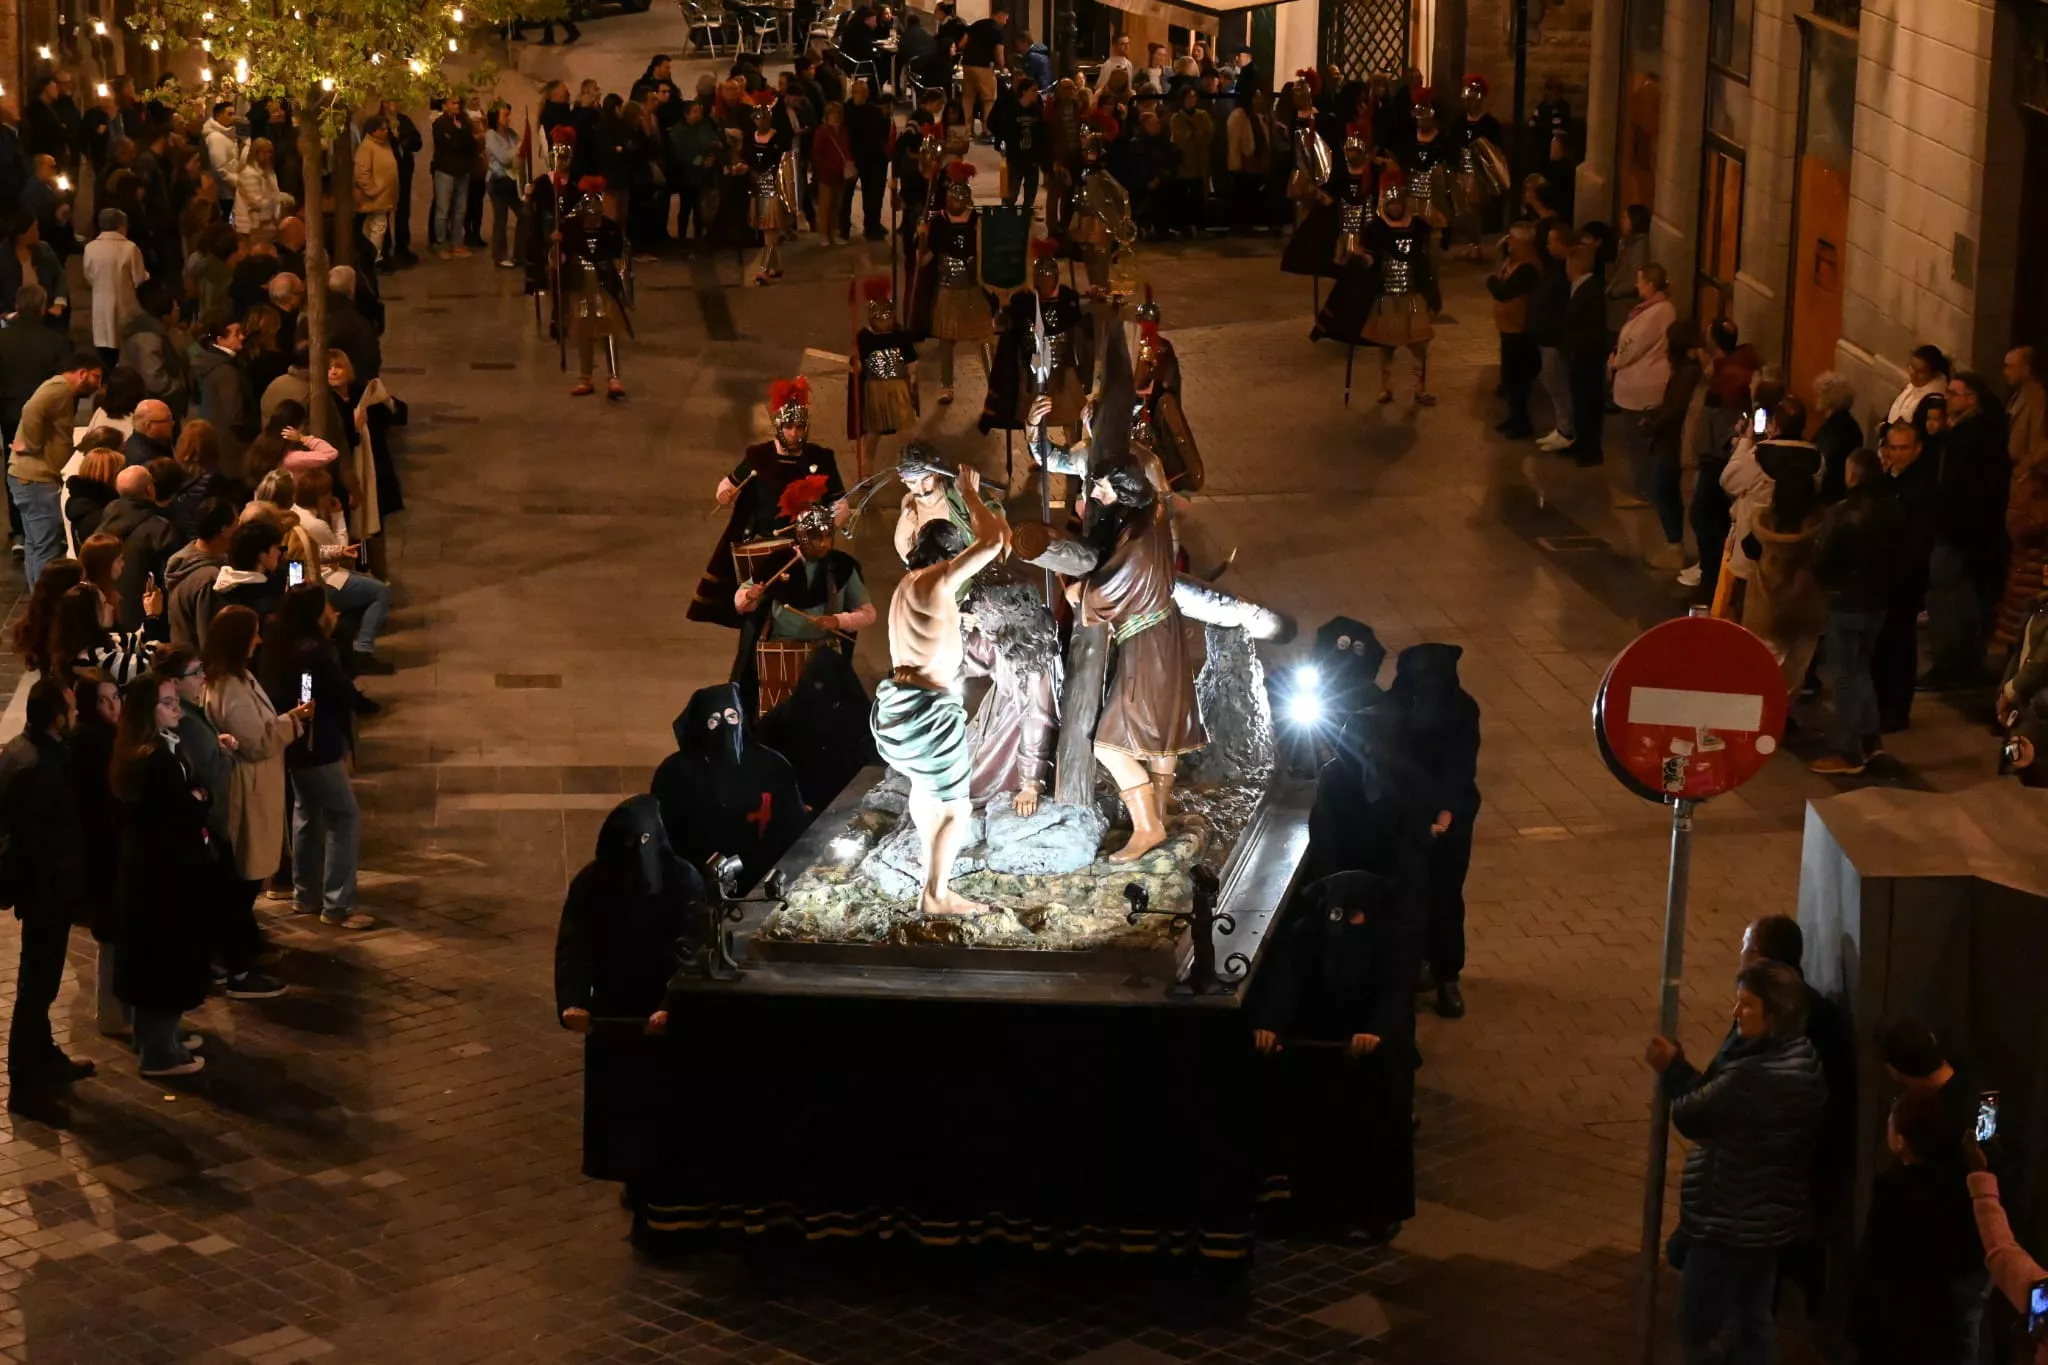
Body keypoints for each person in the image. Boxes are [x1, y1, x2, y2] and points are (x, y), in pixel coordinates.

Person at [1645, 960, 1827, 1365]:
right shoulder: (1802, 1058)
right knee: (1753, 1319)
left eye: (1746, 1005)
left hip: (1726, 1222)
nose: (1735, 1013)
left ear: (1774, 1015)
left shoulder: (1754, 1075)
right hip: (1766, 1221)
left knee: (1696, 1328)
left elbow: (1694, 1112)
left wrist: (1673, 1068)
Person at [555, 794, 705, 1230]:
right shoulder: (594, 883)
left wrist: (671, 1003)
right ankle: (637, 1180)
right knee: (623, 1105)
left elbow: (692, 947)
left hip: (661, 1014)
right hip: (616, 1012)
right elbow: (575, 943)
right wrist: (573, 1000)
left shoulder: (682, 880)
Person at [1249, 868, 1417, 1245]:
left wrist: (1375, 1031)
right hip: (1321, 1051)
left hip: (1373, 1058)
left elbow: (1395, 991)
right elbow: (1287, 980)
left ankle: (1375, 1213)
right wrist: (1271, 1023)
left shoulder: (1392, 940)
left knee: (1372, 1136)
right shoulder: (1307, 935)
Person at [872, 466, 1008, 915]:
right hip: (927, 715)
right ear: (947, 556)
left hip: (894, 712)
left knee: (927, 792)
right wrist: (970, 492)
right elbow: (989, 544)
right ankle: (936, 895)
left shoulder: (905, 586)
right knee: (956, 809)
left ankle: (935, 876)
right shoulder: (937, 580)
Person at [1073, 453, 1206, 861]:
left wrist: (1082, 595)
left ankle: (1147, 827)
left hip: (1146, 643)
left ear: (1124, 491)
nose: (1095, 493)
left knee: (1110, 745)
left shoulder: (1136, 537)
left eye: (1102, 487)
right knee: (1162, 728)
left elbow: (1111, 587)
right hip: (1163, 633)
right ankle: (1159, 811)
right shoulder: (1152, 513)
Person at [107, 669, 217, 1077]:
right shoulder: (153, 759)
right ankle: (158, 1051)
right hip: (161, 878)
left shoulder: (153, 750)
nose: (176, 709)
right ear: (147, 711)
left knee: (161, 961)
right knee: (161, 962)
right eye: (167, 703)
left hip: (160, 873)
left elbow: (197, 793)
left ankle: (161, 1038)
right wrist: (197, 798)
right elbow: (188, 806)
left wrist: (196, 796)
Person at [203, 604, 336, 940]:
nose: (259, 640)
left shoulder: (239, 678)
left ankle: (243, 938)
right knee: (245, 876)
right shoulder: (228, 689)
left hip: (260, 782)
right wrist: (294, 720)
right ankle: (237, 947)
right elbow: (256, 742)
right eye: (253, 634)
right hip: (250, 787)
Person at [0, 678, 95, 1115]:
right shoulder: (38, 766)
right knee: (36, 985)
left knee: (41, 981)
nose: (77, 715)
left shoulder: (25, 751)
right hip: (46, 892)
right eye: (72, 710)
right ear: (58, 718)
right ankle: (24, 1082)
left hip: (45, 888)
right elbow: (40, 841)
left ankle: (44, 1057)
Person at [692, 378, 847, 629]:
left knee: (803, 611)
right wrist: (725, 494)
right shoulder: (759, 456)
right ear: (779, 426)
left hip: (804, 551)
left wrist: (824, 529)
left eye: (799, 427)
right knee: (757, 612)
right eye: (788, 427)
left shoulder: (820, 457)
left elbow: (840, 504)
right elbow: (729, 484)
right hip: (762, 548)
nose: (794, 433)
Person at [261, 583, 372, 930]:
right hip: (317, 745)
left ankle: (305, 894)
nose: (333, 612)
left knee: (307, 815)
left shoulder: (281, 646)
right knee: (343, 816)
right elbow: (324, 694)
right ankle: (338, 904)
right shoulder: (313, 653)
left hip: (295, 744)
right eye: (327, 606)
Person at [1848, 1088, 1985, 1365]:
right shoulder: (1958, 1185)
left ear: (1901, 1141)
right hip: (1940, 1323)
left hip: (1894, 1326)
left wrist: (1857, 1327)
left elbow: (1873, 1267)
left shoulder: (1894, 1194)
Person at [1389, 644, 1478, 1020]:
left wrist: (1445, 813)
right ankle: (1406, 973)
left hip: (1449, 819)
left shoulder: (1461, 708)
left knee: (1444, 895)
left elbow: (1460, 764)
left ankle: (1446, 976)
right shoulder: (1394, 708)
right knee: (1404, 897)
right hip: (1403, 814)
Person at [650, 683, 808, 891]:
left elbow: (792, 826)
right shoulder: (675, 773)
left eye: (732, 716)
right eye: (714, 721)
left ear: (741, 719)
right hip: (698, 882)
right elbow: (664, 836)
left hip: (761, 880)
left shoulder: (772, 766)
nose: (726, 726)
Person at [1923, 370, 2011, 689]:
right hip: (1971, 534)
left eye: (1953, 394)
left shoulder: (1970, 436)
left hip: (1958, 533)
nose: (1947, 399)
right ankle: (1964, 662)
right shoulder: (1976, 432)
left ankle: (1950, 665)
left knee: (1948, 601)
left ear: (1971, 399)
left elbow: (1961, 488)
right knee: (1963, 601)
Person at [1739, 399, 1828, 703]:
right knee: (1794, 672)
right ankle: (1782, 715)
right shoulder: (1820, 527)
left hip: (1768, 611)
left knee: (1764, 666)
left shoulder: (1764, 526)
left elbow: (1748, 548)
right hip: (1804, 612)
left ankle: (1760, 715)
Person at [10, 351, 102, 586]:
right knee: (46, 548)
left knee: (36, 545)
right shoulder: (59, 389)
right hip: (37, 480)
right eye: (95, 377)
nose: (98, 384)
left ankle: (38, 601)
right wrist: (30, 444)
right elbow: (31, 410)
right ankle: (46, 606)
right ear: (82, 374)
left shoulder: (61, 391)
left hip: (30, 479)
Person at [1875, 420, 1937, 733]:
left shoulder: (1921, 488)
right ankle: (1883, 704)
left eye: (1904, 448)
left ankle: (1896, 710)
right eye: (1892, 448)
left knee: (1898, 644)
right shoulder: (1890, 481)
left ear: (1917, 449)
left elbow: (1918, 540)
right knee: (1884, 644)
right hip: (1885, 577)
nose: (1897, 454)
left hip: (1904, 579)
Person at [912, 163, 991, 407]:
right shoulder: (937, 222)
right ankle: (946, 386)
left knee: (983, 337)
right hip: (947, 287)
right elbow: (924, 259)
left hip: (972, 286)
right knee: (946, 340)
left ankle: (993, 386)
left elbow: (984, 251)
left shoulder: (977, 220)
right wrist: (922, 236)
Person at [556, 181, 631, 400]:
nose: (592, 219)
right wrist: (556, 246)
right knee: (582, 330)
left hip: (604, 282)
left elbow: (619, 254)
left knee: (608, 327)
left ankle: (614, 377)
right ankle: (585, 378)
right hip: (579, 284)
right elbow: (557, 255)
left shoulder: (609, 228)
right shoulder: (570, 228)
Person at [1611, 262, 1676, 509]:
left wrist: (1616, 361)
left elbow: (1633, 346)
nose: (1636, 285)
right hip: (1643, 384)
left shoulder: (1659, 312)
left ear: (1650, 284)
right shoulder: (1657, 309)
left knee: (1640, 443)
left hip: (1642, 387)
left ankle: (1645, 491)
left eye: (1640, 281)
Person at [847, 277, 919, 477]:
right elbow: (857, 363)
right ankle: (866, 473)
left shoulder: (900, 336)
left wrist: (913, 380)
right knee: (872, 437)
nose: (885, 322)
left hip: (899, 390)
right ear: (873, 319)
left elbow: (912, 361)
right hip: (875, 391)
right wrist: (856, 363)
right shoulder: (865, 338)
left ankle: (908, 469)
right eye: (881, 319)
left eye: (888, 318)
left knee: (905, 432)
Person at [1486, 224, 1542, 440]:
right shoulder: (1513, 262)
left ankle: (1521, 421)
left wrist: (1491, 280)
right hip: (1509, 328)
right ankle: (1514, 416)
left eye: (1511, 239)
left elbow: (1504, 291)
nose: (1507, 243)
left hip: (1520, 330)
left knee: (1517, 378)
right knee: (1509, 377)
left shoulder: (1528, 268)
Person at [81, 208, 147, 368]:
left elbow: (89, 276)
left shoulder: (90, 248)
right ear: (120, 226)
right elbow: (138, 278)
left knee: (105, 353)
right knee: (125, 353)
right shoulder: (130, 248)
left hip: (100, 307)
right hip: (125, 307)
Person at [1561, 242, 1607, 467]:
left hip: (1587, 359)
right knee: (1580, 403)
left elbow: (1589, 328)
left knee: (1588, 404)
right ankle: (1582, 443)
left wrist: (1575, 348)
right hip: (1580, 357)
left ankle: (1590, 450)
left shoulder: (1591, 291)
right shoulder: (1581, 287)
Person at [429, 97, 476, 259]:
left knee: (460, 211)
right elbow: (452, 145)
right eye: (453, 103)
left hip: (462, 171)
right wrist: (459, 134)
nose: (456, 106)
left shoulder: (463, 122)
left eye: (458, 103)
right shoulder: (439, 124)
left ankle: (457, 244)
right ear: (444, 106)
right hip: (445, 171)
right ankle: (441, 244)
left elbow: (472, 143)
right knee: (443, 211)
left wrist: (461, 132)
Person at [352, 116, 400, 262]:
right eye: (382, 129)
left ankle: (369, 256)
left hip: (384, 196)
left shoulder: (384, 145)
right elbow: (361, 173)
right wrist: (372, 189)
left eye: (387, 128)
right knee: (378, 227)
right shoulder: (367, 147)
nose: (386, 131)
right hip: (375, 197)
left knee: (372, 227)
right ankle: (373, 257)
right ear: (373, 131)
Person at [1811, 371, 1863, 503]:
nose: (1815, 398)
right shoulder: (1850, 424)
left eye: (1819, 395)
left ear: (1829, 399)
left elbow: (1823, 463)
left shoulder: (1834, 431)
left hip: (1830, 497)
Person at [961, 4, 1007, 138]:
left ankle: (966, 130)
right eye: (1006, 19)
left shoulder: (977, 24)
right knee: (988, 98)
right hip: (983, 66)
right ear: (1001, 16)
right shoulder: (997, 30)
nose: (1006, 22)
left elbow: (963, 42)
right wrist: (1002, 68)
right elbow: (999, 53)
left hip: (968, 64)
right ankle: (987, 129)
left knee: (968, 98)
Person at [1887, 344, 1949, 429]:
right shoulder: (1914, 384)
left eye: (1921, 372)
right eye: (1912, 367)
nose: (1913, 374)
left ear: (1933, 373)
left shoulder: (1933, 400)